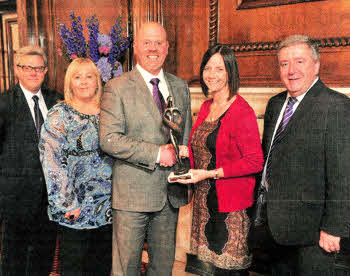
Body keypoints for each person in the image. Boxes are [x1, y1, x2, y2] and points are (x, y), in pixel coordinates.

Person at [99, 21, 192, 276]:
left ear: (167, 48)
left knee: (162, 269)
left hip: (170, 196)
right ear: (137, 48)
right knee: (125, 269)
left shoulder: (180, 86)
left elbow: (185, 136)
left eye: (159, 43)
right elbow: (108, 139)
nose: (154, 49)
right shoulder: (117, 87)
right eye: (147, 43)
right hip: (131, 196)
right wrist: (155, 153)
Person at [261, 34, 350, 275]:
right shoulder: (275, 104)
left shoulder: (336, 106)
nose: (291, 70)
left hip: (314, 234)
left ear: (316, 65)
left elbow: (343, 175)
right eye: (284, 64)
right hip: (274, 229)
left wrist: (334, 227)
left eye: (299, 62)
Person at [176, 45, 264, 276]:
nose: (211, 74)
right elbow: (205, 147)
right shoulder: (207, 106)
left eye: (219, 68)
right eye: (207, 68)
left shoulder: (241, 110)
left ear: (230, 73)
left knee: (228, 271)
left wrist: (211, 173)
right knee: (208, 270)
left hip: (231, 206)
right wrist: (186, 151)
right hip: (204, 204)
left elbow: (255, 161)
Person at [39, 58, 113, 276]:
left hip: (108, 207)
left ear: (97, 82)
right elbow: (50, 160)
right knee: (74, 268)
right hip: (75, 208)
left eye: (89, 76)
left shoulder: (108, 112)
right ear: (69, 83)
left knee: (101, 266)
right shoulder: (59, 114)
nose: (83, 82)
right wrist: (66, 202)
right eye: (77, 77)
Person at [0, 45, 61, 275]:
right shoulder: (4, 103)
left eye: (39, 68)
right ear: (17, 70)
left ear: (45, 71)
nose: (34, 73)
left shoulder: (57, 100)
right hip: (15, 199)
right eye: (28, 68)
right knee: (14, 260)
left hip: (50, 199)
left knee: (43, 258)